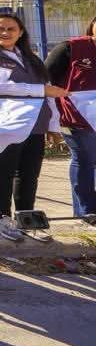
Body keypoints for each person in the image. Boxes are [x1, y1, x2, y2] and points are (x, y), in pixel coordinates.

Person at [0, 13, 67, 242]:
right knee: (4, 169)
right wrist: (38, 91)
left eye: (11, 29)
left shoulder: (31, 58)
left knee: (29, 173)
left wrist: (53, 124)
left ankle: (25, 217)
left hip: (34, 124)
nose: (5, 33)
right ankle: (2, 217)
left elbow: (49, 92)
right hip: (4, 124)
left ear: (20, 32)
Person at [46, 14, 96, 220]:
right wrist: (50, 120)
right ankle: (86, 212)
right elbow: (44, 80)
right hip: (75, 117)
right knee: (84, 160)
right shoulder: (70, 48)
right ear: (92, 25)